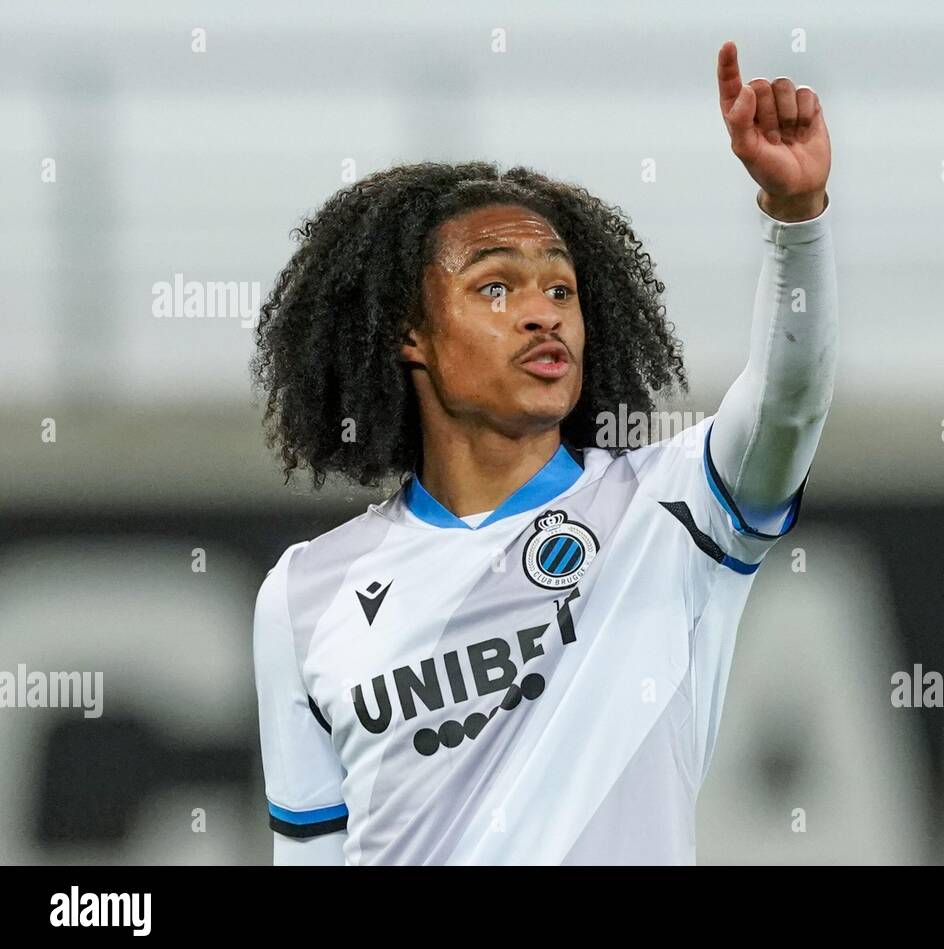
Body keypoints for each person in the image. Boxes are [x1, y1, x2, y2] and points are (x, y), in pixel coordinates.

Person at [251, 40, 837, 864]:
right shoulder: (304, 595)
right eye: (496, 287)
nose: (542, 313)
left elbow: (790, 400)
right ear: (409, 335)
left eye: (560, 289)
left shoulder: (670, 509)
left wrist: (797, 214)